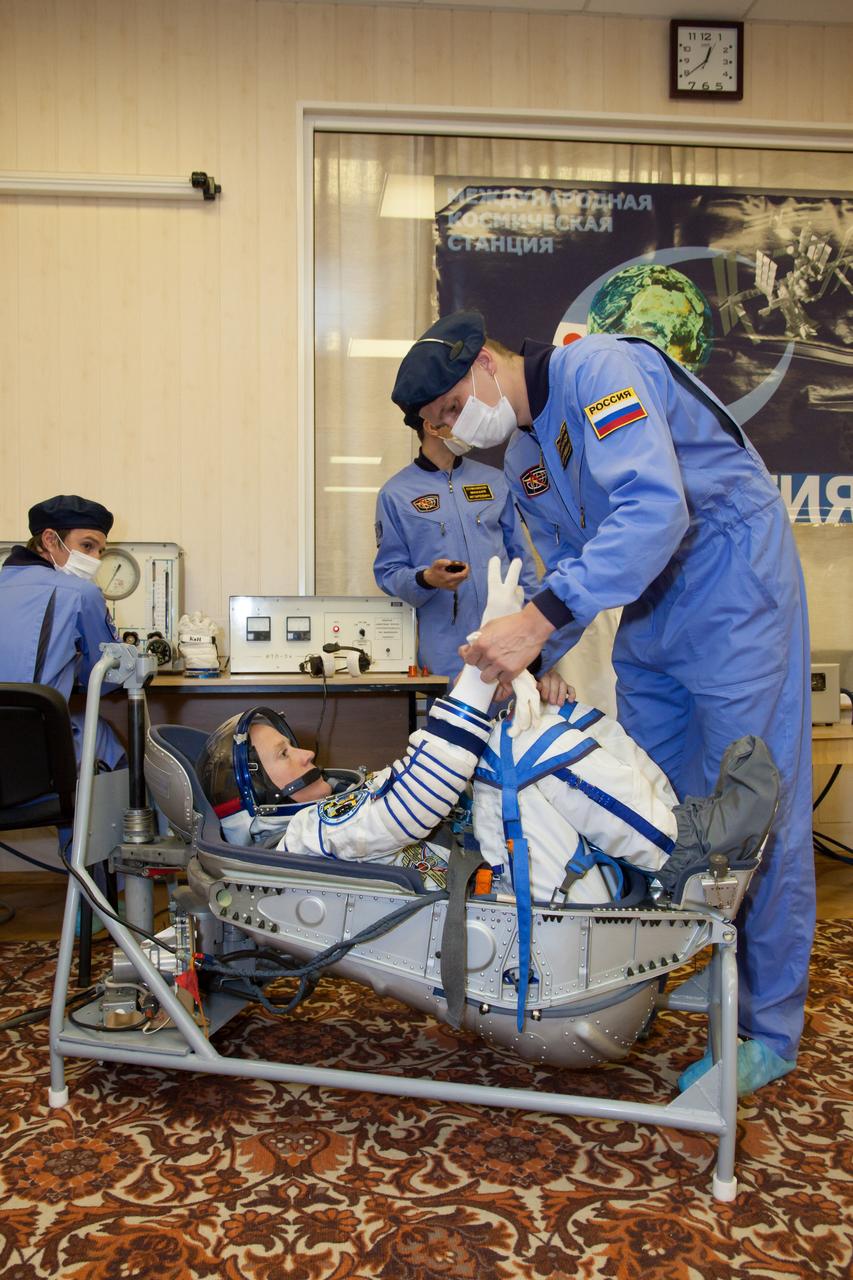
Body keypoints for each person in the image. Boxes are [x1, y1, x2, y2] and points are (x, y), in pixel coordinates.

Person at [389, 310, 812, 1097]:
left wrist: (534, 625)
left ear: (485, 363)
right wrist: (533, 657)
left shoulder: (599, 370)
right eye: (438, 425)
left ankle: (766, 1025)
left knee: (755, 802)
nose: (452, 429)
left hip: (729, 581)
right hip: (646, 607)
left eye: (451, 407)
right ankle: (679, 961)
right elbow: (574, 565)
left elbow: (654, 512)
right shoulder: (523, 457)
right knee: (651, 802)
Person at [373, 416, 540, 686]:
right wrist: (427, 578)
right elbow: (388, 574)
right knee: (453, 714)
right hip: (446, 655)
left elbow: (523, 562)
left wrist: (535, 640)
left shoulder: (496, 481)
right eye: (456, 415)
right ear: (431, 426)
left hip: (507, 644)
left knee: (514, 714)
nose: (468, 424)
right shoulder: (395, 494)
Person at [0, 494, 124, 768]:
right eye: (87, 546)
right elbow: (107, 676)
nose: (95, 559)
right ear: (50, 539)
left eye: (100, 551)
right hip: (32, 753)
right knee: (102, 735)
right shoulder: (81, 592)